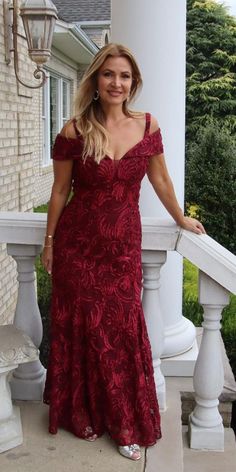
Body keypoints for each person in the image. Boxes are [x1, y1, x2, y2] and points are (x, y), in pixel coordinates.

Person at [41, 43, 205, 461]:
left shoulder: (147, 126)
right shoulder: (74, 130)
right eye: (109, 74)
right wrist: (50, 241)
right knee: (86, 331)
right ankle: (87, 414)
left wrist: (181, 218)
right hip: (79, 245)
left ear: (133, 83)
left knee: (119, 332)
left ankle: (125, 422)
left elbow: (162, 182)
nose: (117, 82)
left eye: (125, 76)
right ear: (96, 80)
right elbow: (60, 191)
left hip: (121, 251)